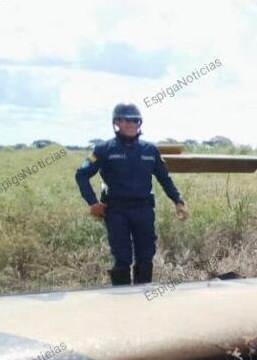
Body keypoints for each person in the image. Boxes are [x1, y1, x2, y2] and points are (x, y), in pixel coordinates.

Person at [75, 103, 188, 286]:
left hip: (143, 209)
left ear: (139, 123)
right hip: (116, 211)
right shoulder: (103, 150)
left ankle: (143, 299)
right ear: (116, 123)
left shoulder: (150, 150)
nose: (130, 124)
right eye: (124, 119)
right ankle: (122, 300)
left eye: (134, 120)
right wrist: (92, 202)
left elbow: (164, 178)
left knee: (146, 255)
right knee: (122, 256)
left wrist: (178, 200)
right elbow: (81, 175)